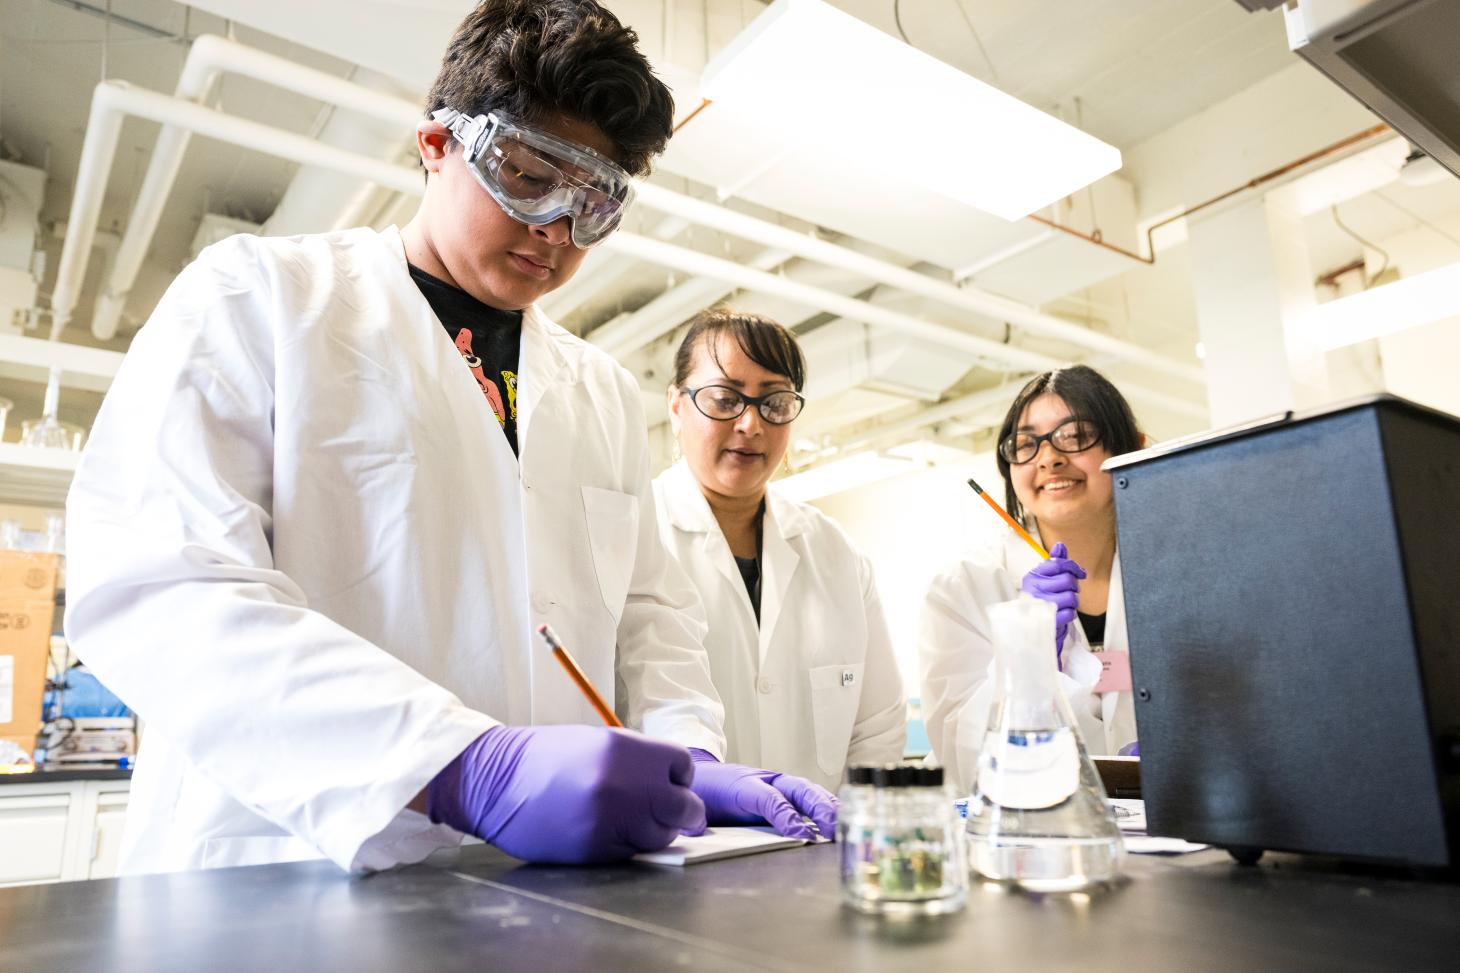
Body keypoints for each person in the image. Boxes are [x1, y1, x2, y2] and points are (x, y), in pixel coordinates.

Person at [64, 0, 835, 876]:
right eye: (528, 173)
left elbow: (653, 620)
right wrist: (459, 765)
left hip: (548, 891)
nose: (555, 227)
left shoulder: (604, 394)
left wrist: (686, 760)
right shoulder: (259, 300)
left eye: (594, 202)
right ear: (436, 145)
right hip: (286, 866)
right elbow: (163, 585)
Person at [653, 309, 906, 792]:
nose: (750, 424)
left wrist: (843, 839)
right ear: (676, 405)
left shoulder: (837, 555)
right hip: (680, 849)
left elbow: (878, 727)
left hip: (819, 851)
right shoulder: (637, 535)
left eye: (774, 402)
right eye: (725, 398)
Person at [918, 366, 1143, 794]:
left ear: (1130, 448)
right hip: (1027, 829)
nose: (1049, 458)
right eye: (1026, 444)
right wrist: (1023, 655)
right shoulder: (964, 587)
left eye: (1076, 437)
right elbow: (959, 755)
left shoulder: (1179, 575)